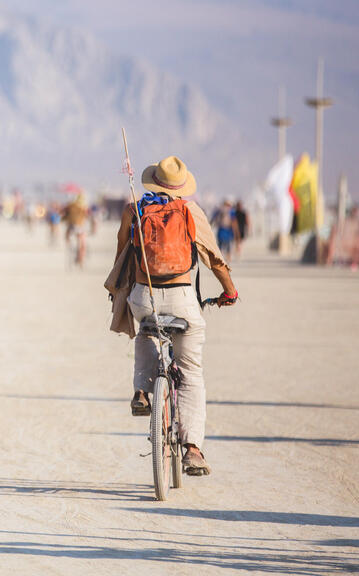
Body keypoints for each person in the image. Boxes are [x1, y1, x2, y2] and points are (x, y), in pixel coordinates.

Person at [112, 156, 237, 476]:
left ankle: (142, 390)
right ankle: (193, 449)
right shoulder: (191, 211)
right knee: (191, 372)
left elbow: (122, 252)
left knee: (144, 333)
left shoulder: (134, 210)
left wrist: (119, 290)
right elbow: (215, 260)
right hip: (183, 301)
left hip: (145, 297)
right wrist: (229, 291)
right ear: (180, 185)